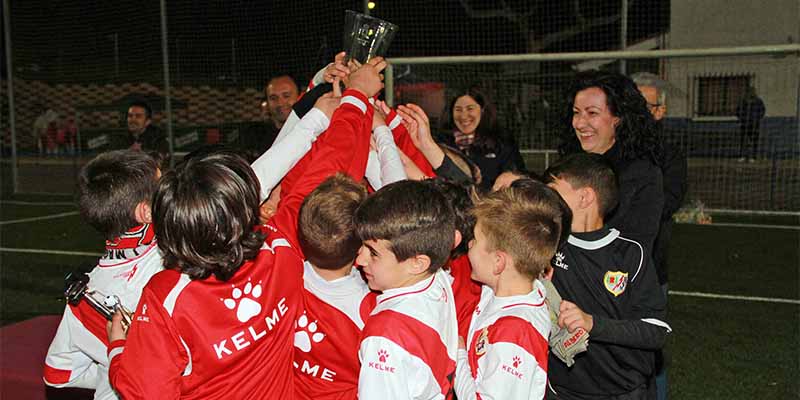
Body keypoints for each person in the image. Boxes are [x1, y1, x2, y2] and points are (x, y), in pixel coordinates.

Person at [105, 57, 385, 400]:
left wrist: (118, 349)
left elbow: (145, 392)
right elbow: (331, 165)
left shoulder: (166, 295)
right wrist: (356, 97)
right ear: (245, 211)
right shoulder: (279, 249)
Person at [544, 153, 670, 400]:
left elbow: (656, 332)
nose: (546, 200)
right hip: (562, 390)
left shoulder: (630, 254)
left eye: (553, 192)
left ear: (585, 197)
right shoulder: (548, 247)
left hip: (624, 390)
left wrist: (592, 324)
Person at [44, 150, 164, 400]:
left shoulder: (85, 298)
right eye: (163, 187)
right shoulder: (177, 253)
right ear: (146, 213)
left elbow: (59, 375)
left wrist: (111, 367)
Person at [454, 182, 564, 400]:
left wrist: (458, 355)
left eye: (474, 240)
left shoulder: (514, 332)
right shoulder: (505, 287)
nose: (469, 245)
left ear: (498, 262)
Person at [354, 179, 459, 399]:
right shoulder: (437, 276)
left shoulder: (384, 337)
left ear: (417, 263)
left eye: (373, 252)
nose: (360, 259)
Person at [558, 70, 664, 253]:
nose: (580, 123)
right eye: (576, 113)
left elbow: (632, 250)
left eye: (592, 113)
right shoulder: (568, 165)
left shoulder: (642, 175)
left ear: (618, 117)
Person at [632, 72, 689, 400]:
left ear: (659, 112)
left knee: (650, 346)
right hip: (604, 267)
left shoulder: (669, 155)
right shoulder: (610, 146)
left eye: (645, 104)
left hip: (650, 267)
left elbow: (667, 202)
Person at [438, 87, 526, 191]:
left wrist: (511, 175)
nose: (464, 116)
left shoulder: (502, 142)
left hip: (491, 204)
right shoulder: (441, 143)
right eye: (458, 109)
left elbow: (520, 174)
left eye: (470, 108)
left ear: (483, 110)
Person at [735, 85, 765, 162]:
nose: (751, 93)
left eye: (752, 91)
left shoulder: (758, 101)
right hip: (745, 124)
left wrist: (757, 118)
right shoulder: (743, 101)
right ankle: (743, 156)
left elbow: (762, 111)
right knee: (743, 141)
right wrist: (742, 118)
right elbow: (738, 111)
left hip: (755, 124)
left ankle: (753, 157)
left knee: (754, 141)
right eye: (750, 91)